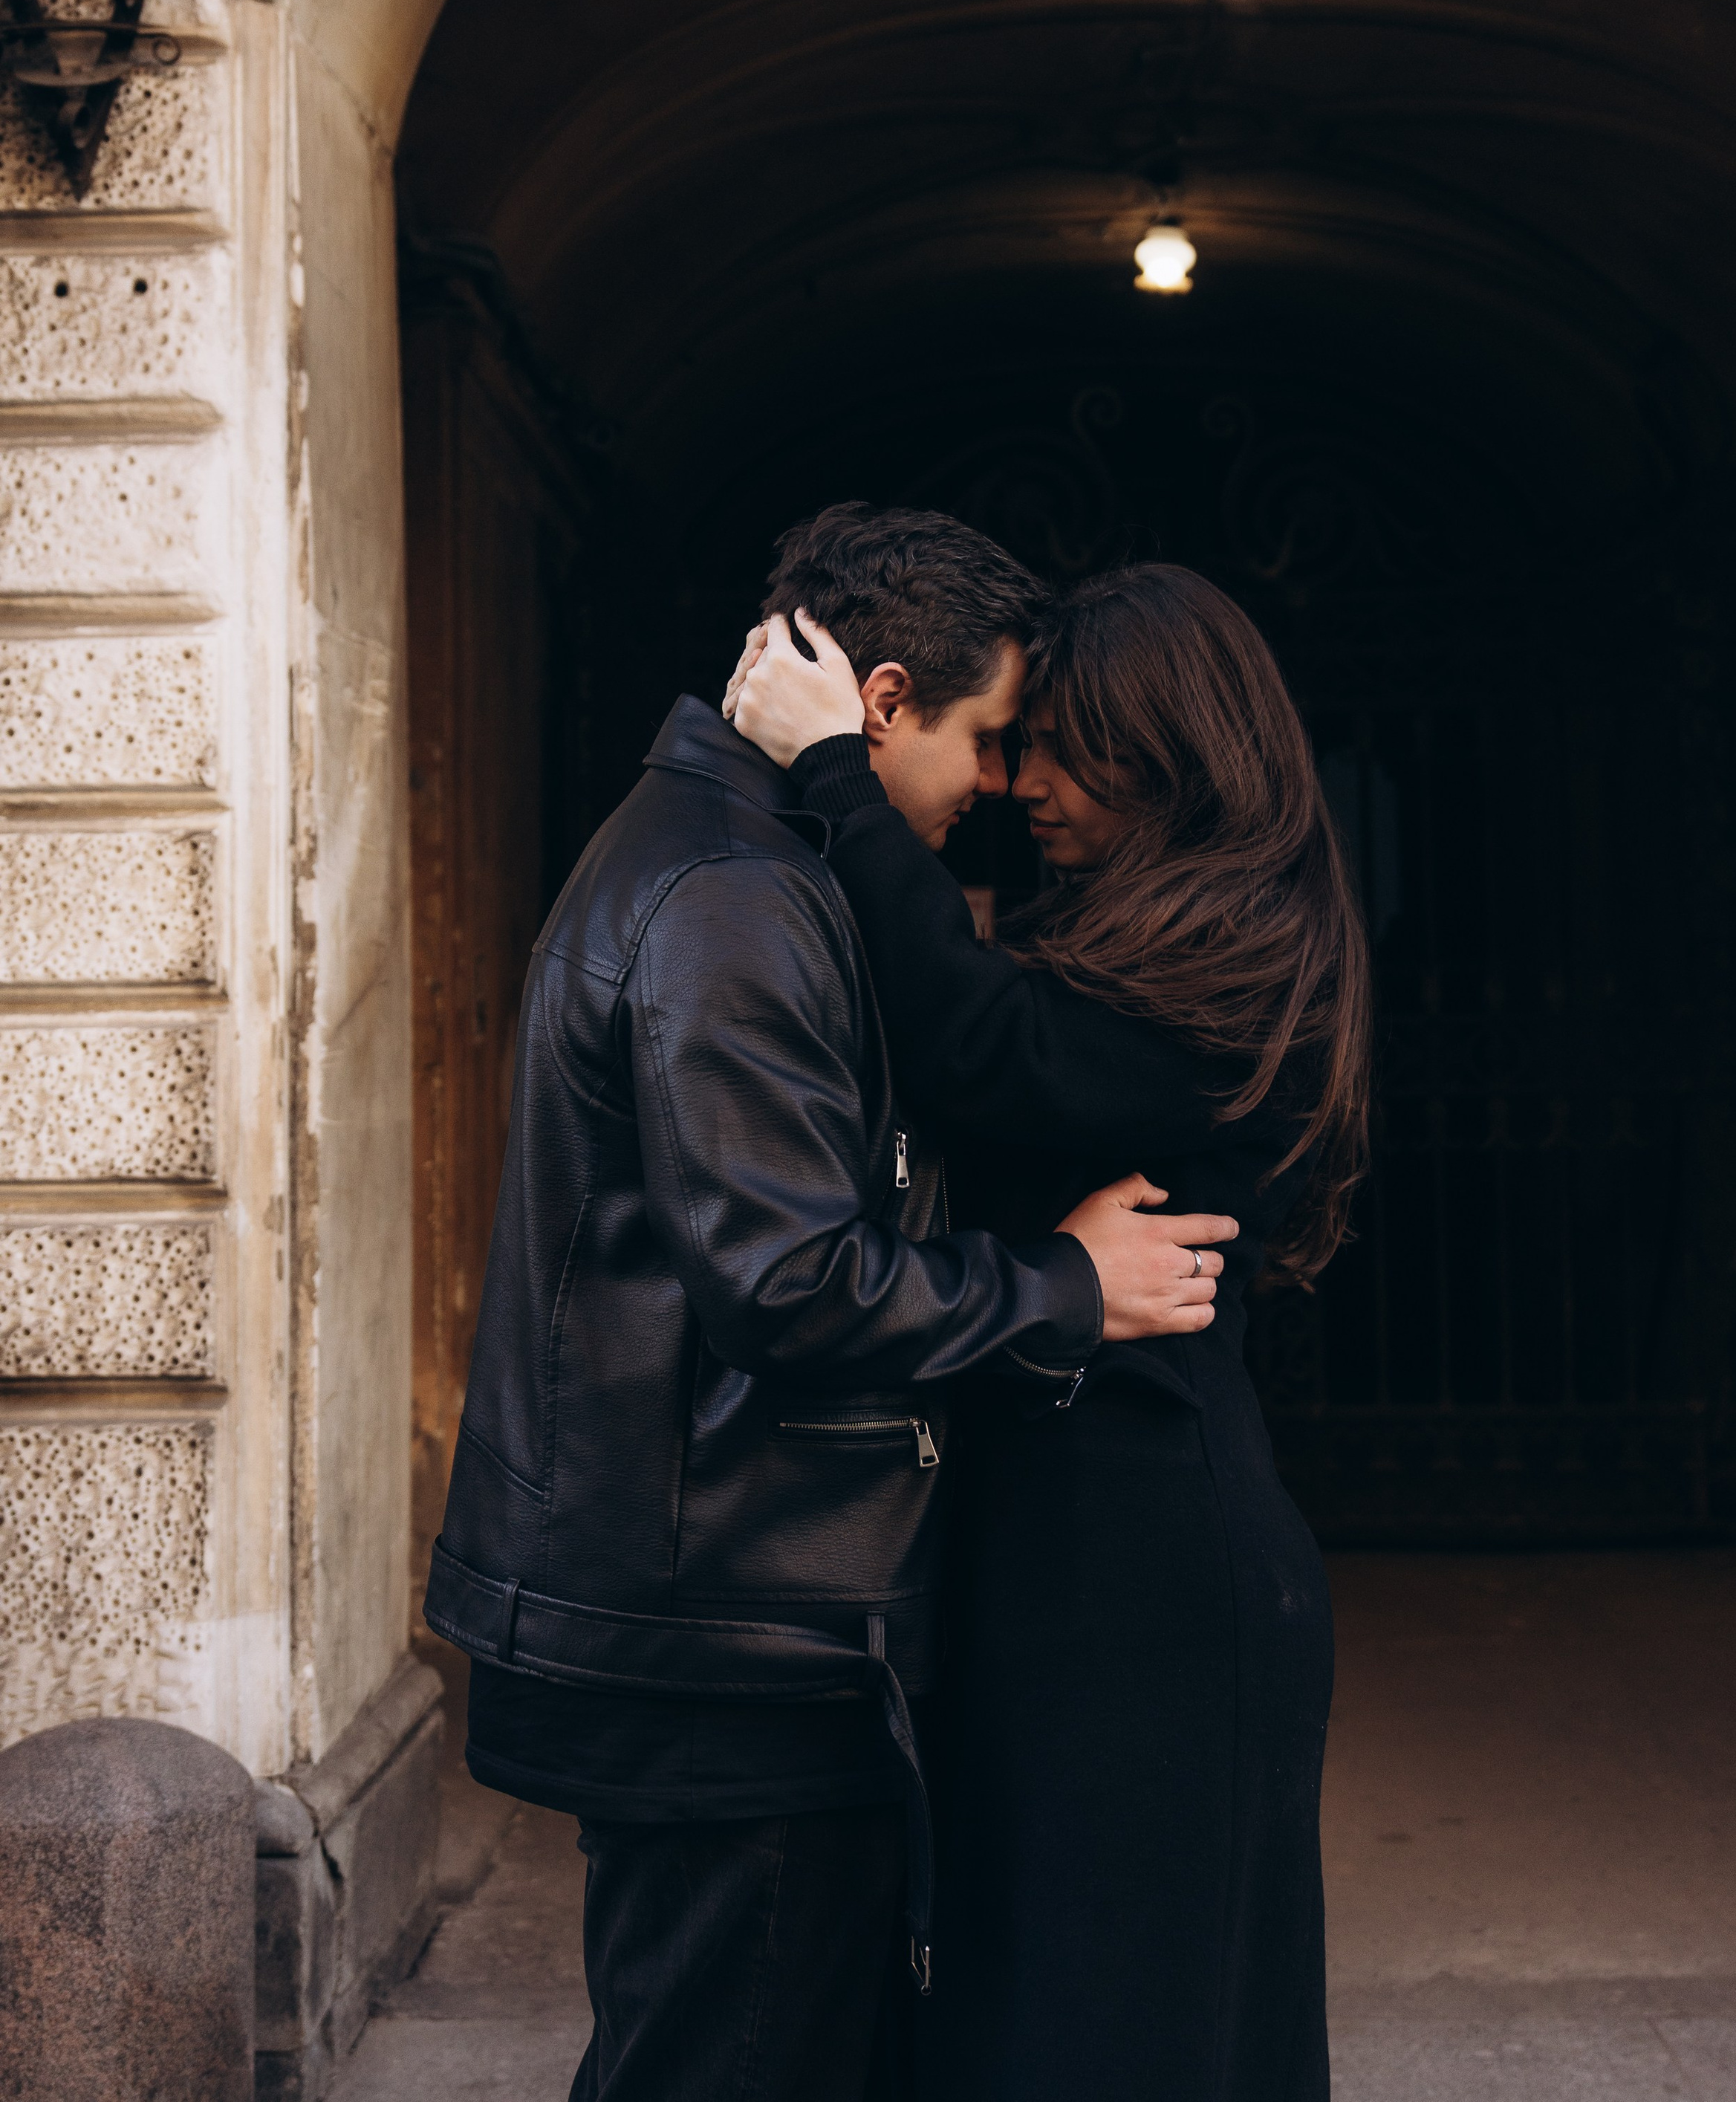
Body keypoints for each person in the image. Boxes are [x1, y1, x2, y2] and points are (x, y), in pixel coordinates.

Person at [423, 505, 1238, 2102]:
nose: (1002, 786)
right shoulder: (734, 896)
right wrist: (1064, 1287)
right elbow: (788, 1286)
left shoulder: (733, 859)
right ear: (879, 708)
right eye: (989, 739)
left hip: (723, 1603)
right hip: (726, 1628)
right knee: (733, 2061)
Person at [730, 562, 1371, 2102]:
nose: (1021, 782)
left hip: (1153, 1572)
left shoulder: (1236, 945)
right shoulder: (1151, 920)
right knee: (1060, 2015)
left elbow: (990, 1054)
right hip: (1084, 1549)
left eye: (1061, 746)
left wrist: (830, 770)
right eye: (1016, 745)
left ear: (1167, 751)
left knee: (1119, 2030)